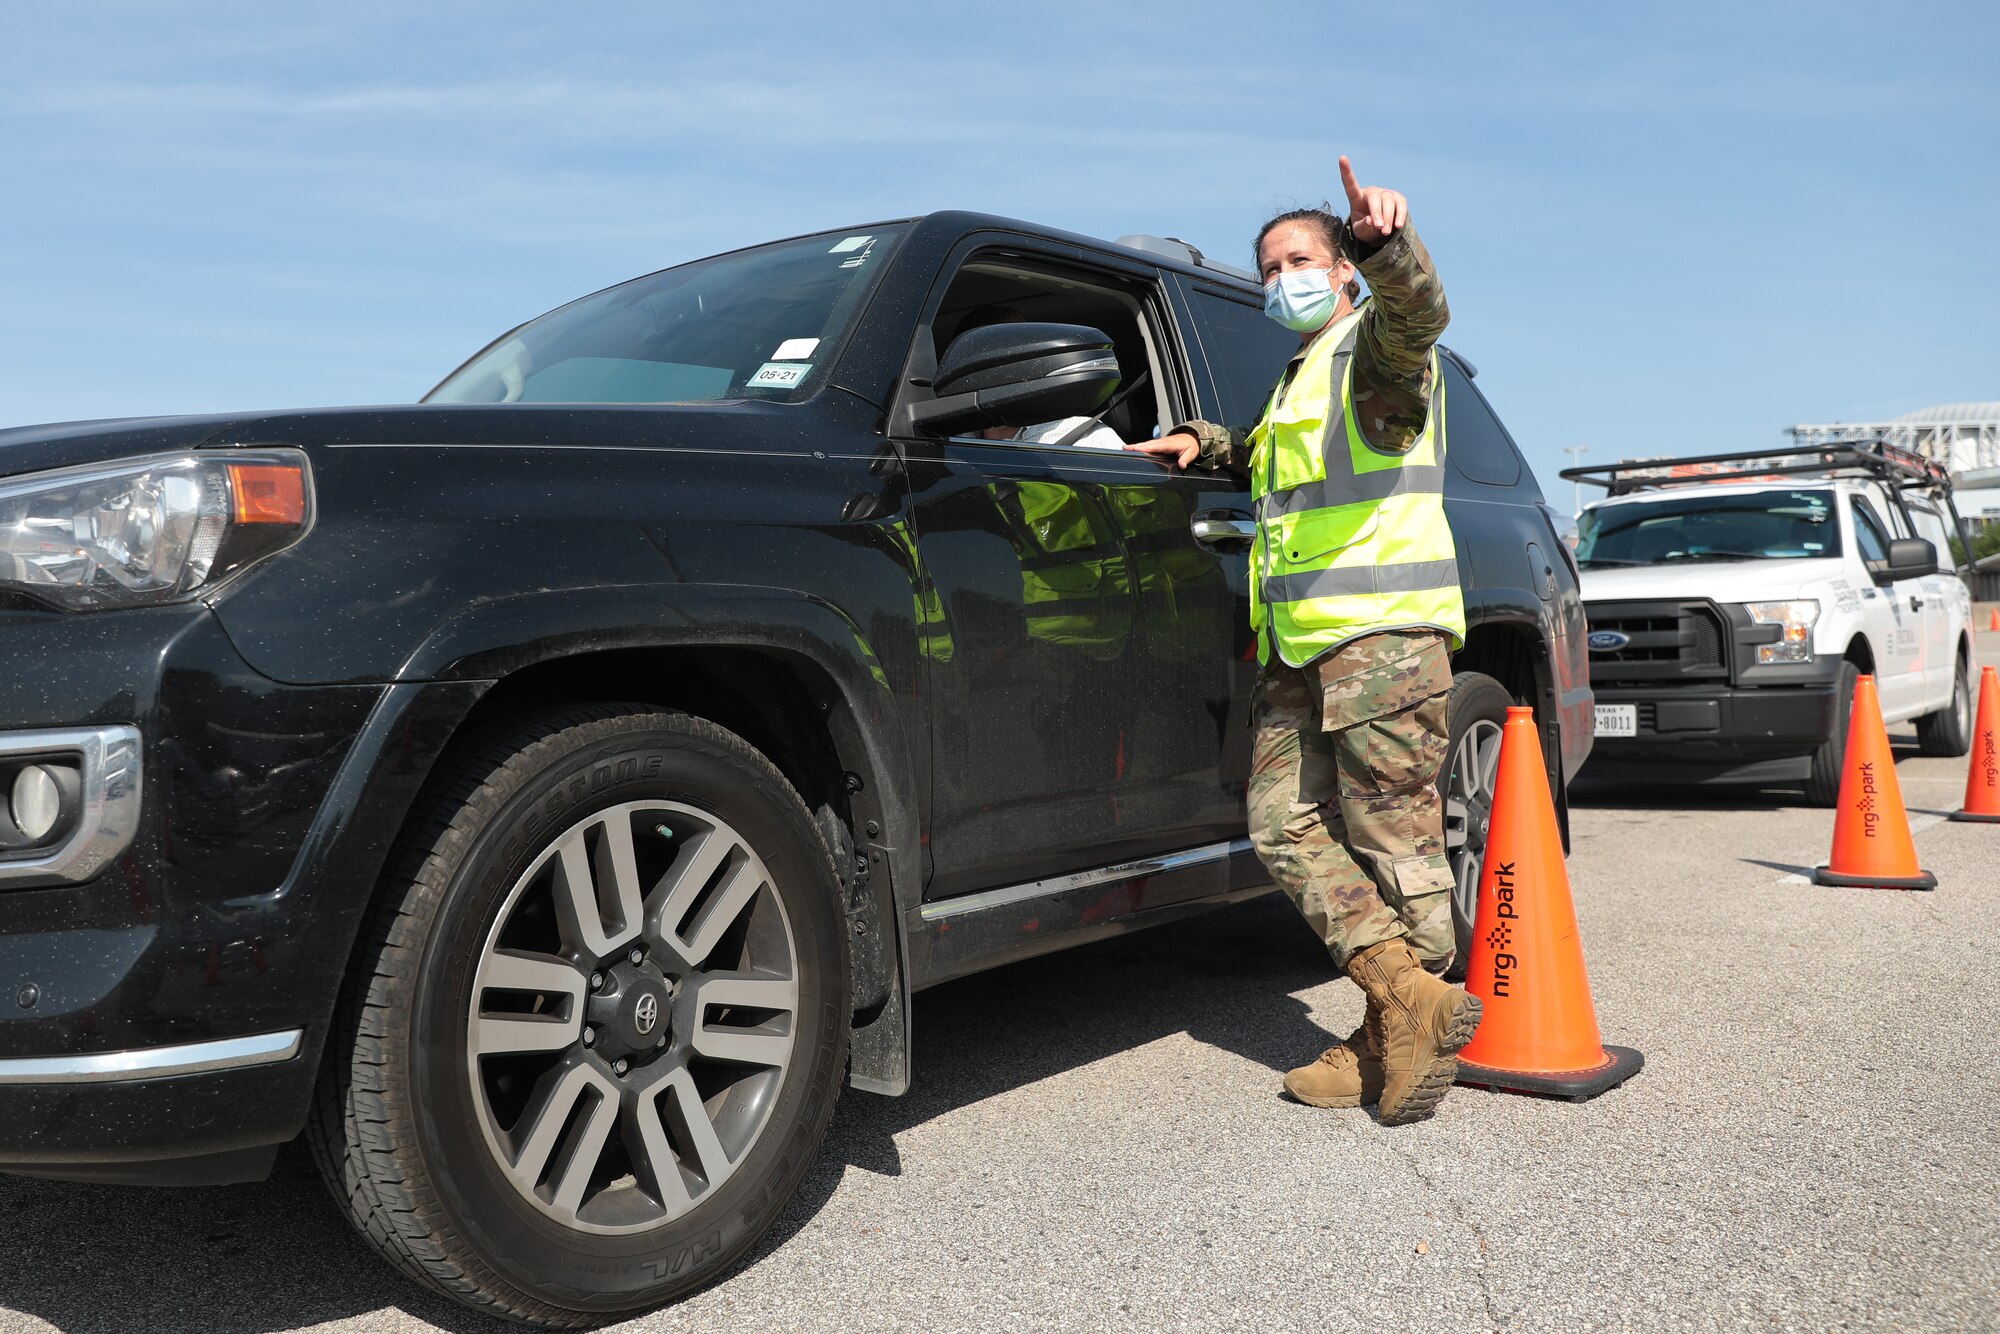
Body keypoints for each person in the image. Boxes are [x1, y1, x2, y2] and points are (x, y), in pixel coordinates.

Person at [1127, 155, 1480, 1125]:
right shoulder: (1299, 376)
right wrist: (1209, 440)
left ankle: (1387, 1037)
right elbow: (1284, 456)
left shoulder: (1377, 344)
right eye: (1267, 265)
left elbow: (1420, 317)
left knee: (1392, 846)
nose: (1279, 275)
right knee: (1280, 822)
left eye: (1299, 258)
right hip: (1298, 645)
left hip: (1380, 640)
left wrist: (1391, 244)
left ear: (1341, 272)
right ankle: (1409, 1004)